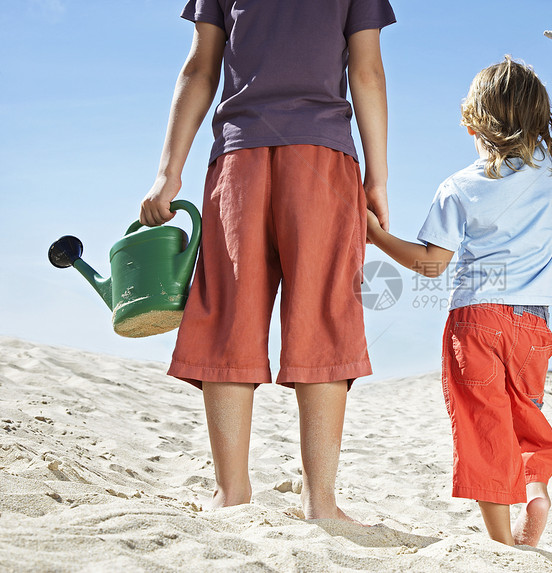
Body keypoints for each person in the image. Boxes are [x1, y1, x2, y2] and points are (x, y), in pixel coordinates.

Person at [139, 1, 395, 520]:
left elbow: (200, 67)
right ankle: (320, 501)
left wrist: (169, 171)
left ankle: (231, 493)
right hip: (323, 159)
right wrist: (377, 178)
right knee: (326, 312)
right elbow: (366, 71)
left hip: (240, 158)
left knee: (229, 314)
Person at [366, 56, 552, 546]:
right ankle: (534, 487)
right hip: (533, 323)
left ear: (470, 121)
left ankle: (500, 541)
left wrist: (376, 235)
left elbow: (431, 263)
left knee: (482, 423)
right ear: (539, 122)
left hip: (475, 319)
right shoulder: (548, 166)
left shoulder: (459, 188)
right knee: (524, 414)